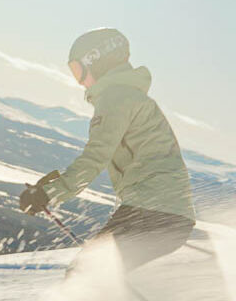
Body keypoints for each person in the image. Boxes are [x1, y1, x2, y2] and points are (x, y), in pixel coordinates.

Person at [19, 28, 196, 272]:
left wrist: (48, 194)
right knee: (98, 273)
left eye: (79, 71)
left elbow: (95, 157)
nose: (79, 81)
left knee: (86, 271)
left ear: (98, 62)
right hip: (167, 214)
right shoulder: (128, 96)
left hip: (154, 213)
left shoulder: (116, 98)